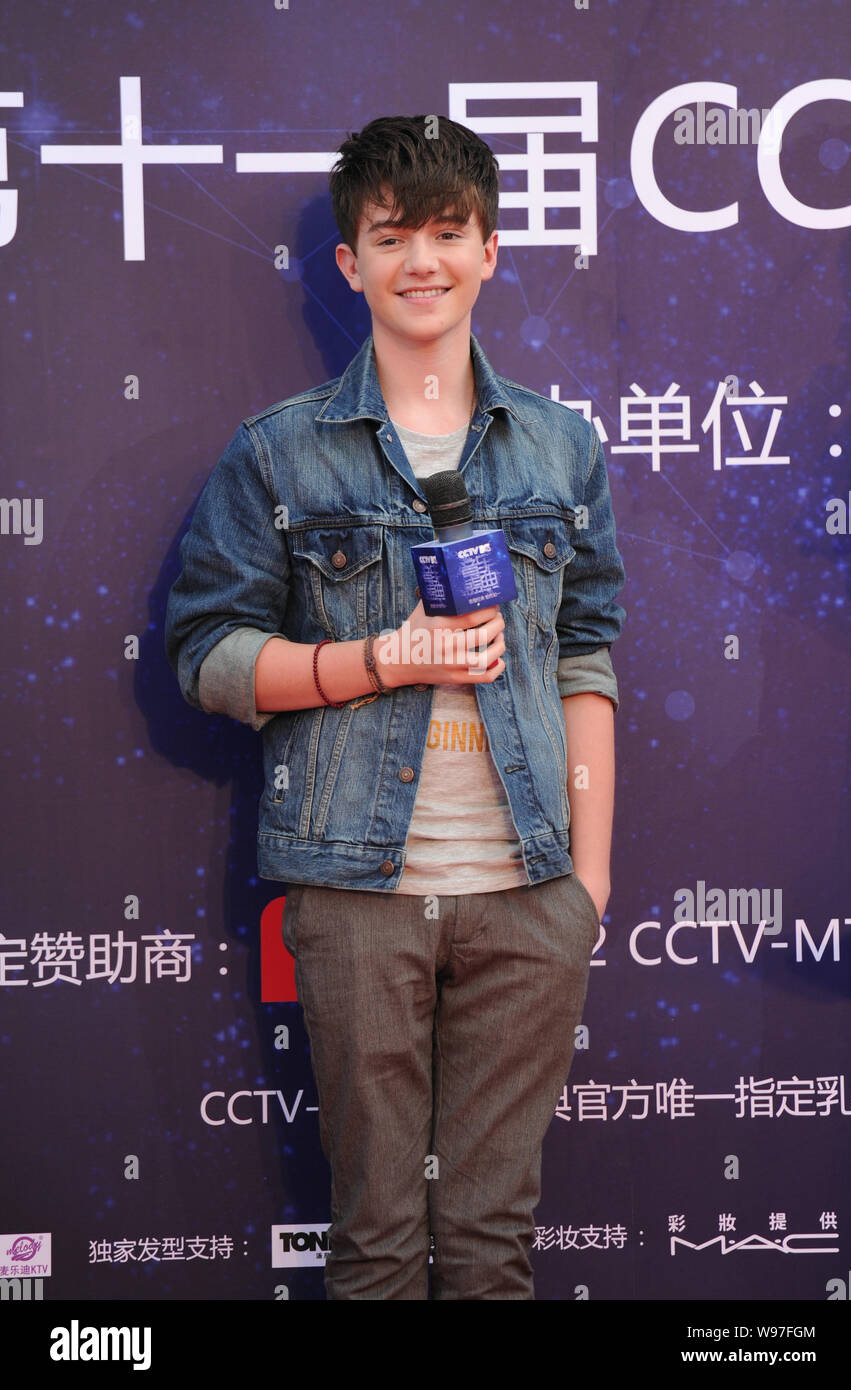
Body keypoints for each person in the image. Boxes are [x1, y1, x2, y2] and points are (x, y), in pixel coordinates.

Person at [165, 114, 626, 1300]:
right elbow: (208, 656)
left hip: (527, 895)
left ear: (487, 251)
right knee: (372, 1250)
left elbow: (585, 658)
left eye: (445, 231)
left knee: (488, 1250)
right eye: (390, 234)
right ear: (348, 264)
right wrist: (379, 658)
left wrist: (589, 879)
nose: (419, 258)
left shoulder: (561, 450)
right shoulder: (276, 454)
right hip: (352, 892)